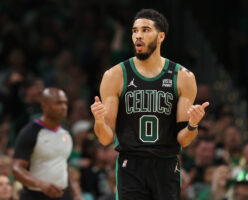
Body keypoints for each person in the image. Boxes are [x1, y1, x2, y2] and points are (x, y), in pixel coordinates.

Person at [90, 8, 209, 200]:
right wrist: (98, 120)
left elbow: (184, 140)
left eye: (145, 30)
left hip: (166, 163)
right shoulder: (115, 75)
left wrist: (193, 124)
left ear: (161, 36)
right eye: (135, 31)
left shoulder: (183, 77)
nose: (138, 35)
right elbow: (105, 139)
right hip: (131, 163)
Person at [12, 88, 82, 200]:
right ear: (44, 106)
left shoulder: (66, 132)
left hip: (62, 194)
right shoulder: (30, 132)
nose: (64, 107)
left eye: (65, 103)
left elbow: (64, 164)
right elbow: (16, 168)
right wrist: (40, 184)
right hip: (34, 195)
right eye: (58, 103)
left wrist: (75, 194)